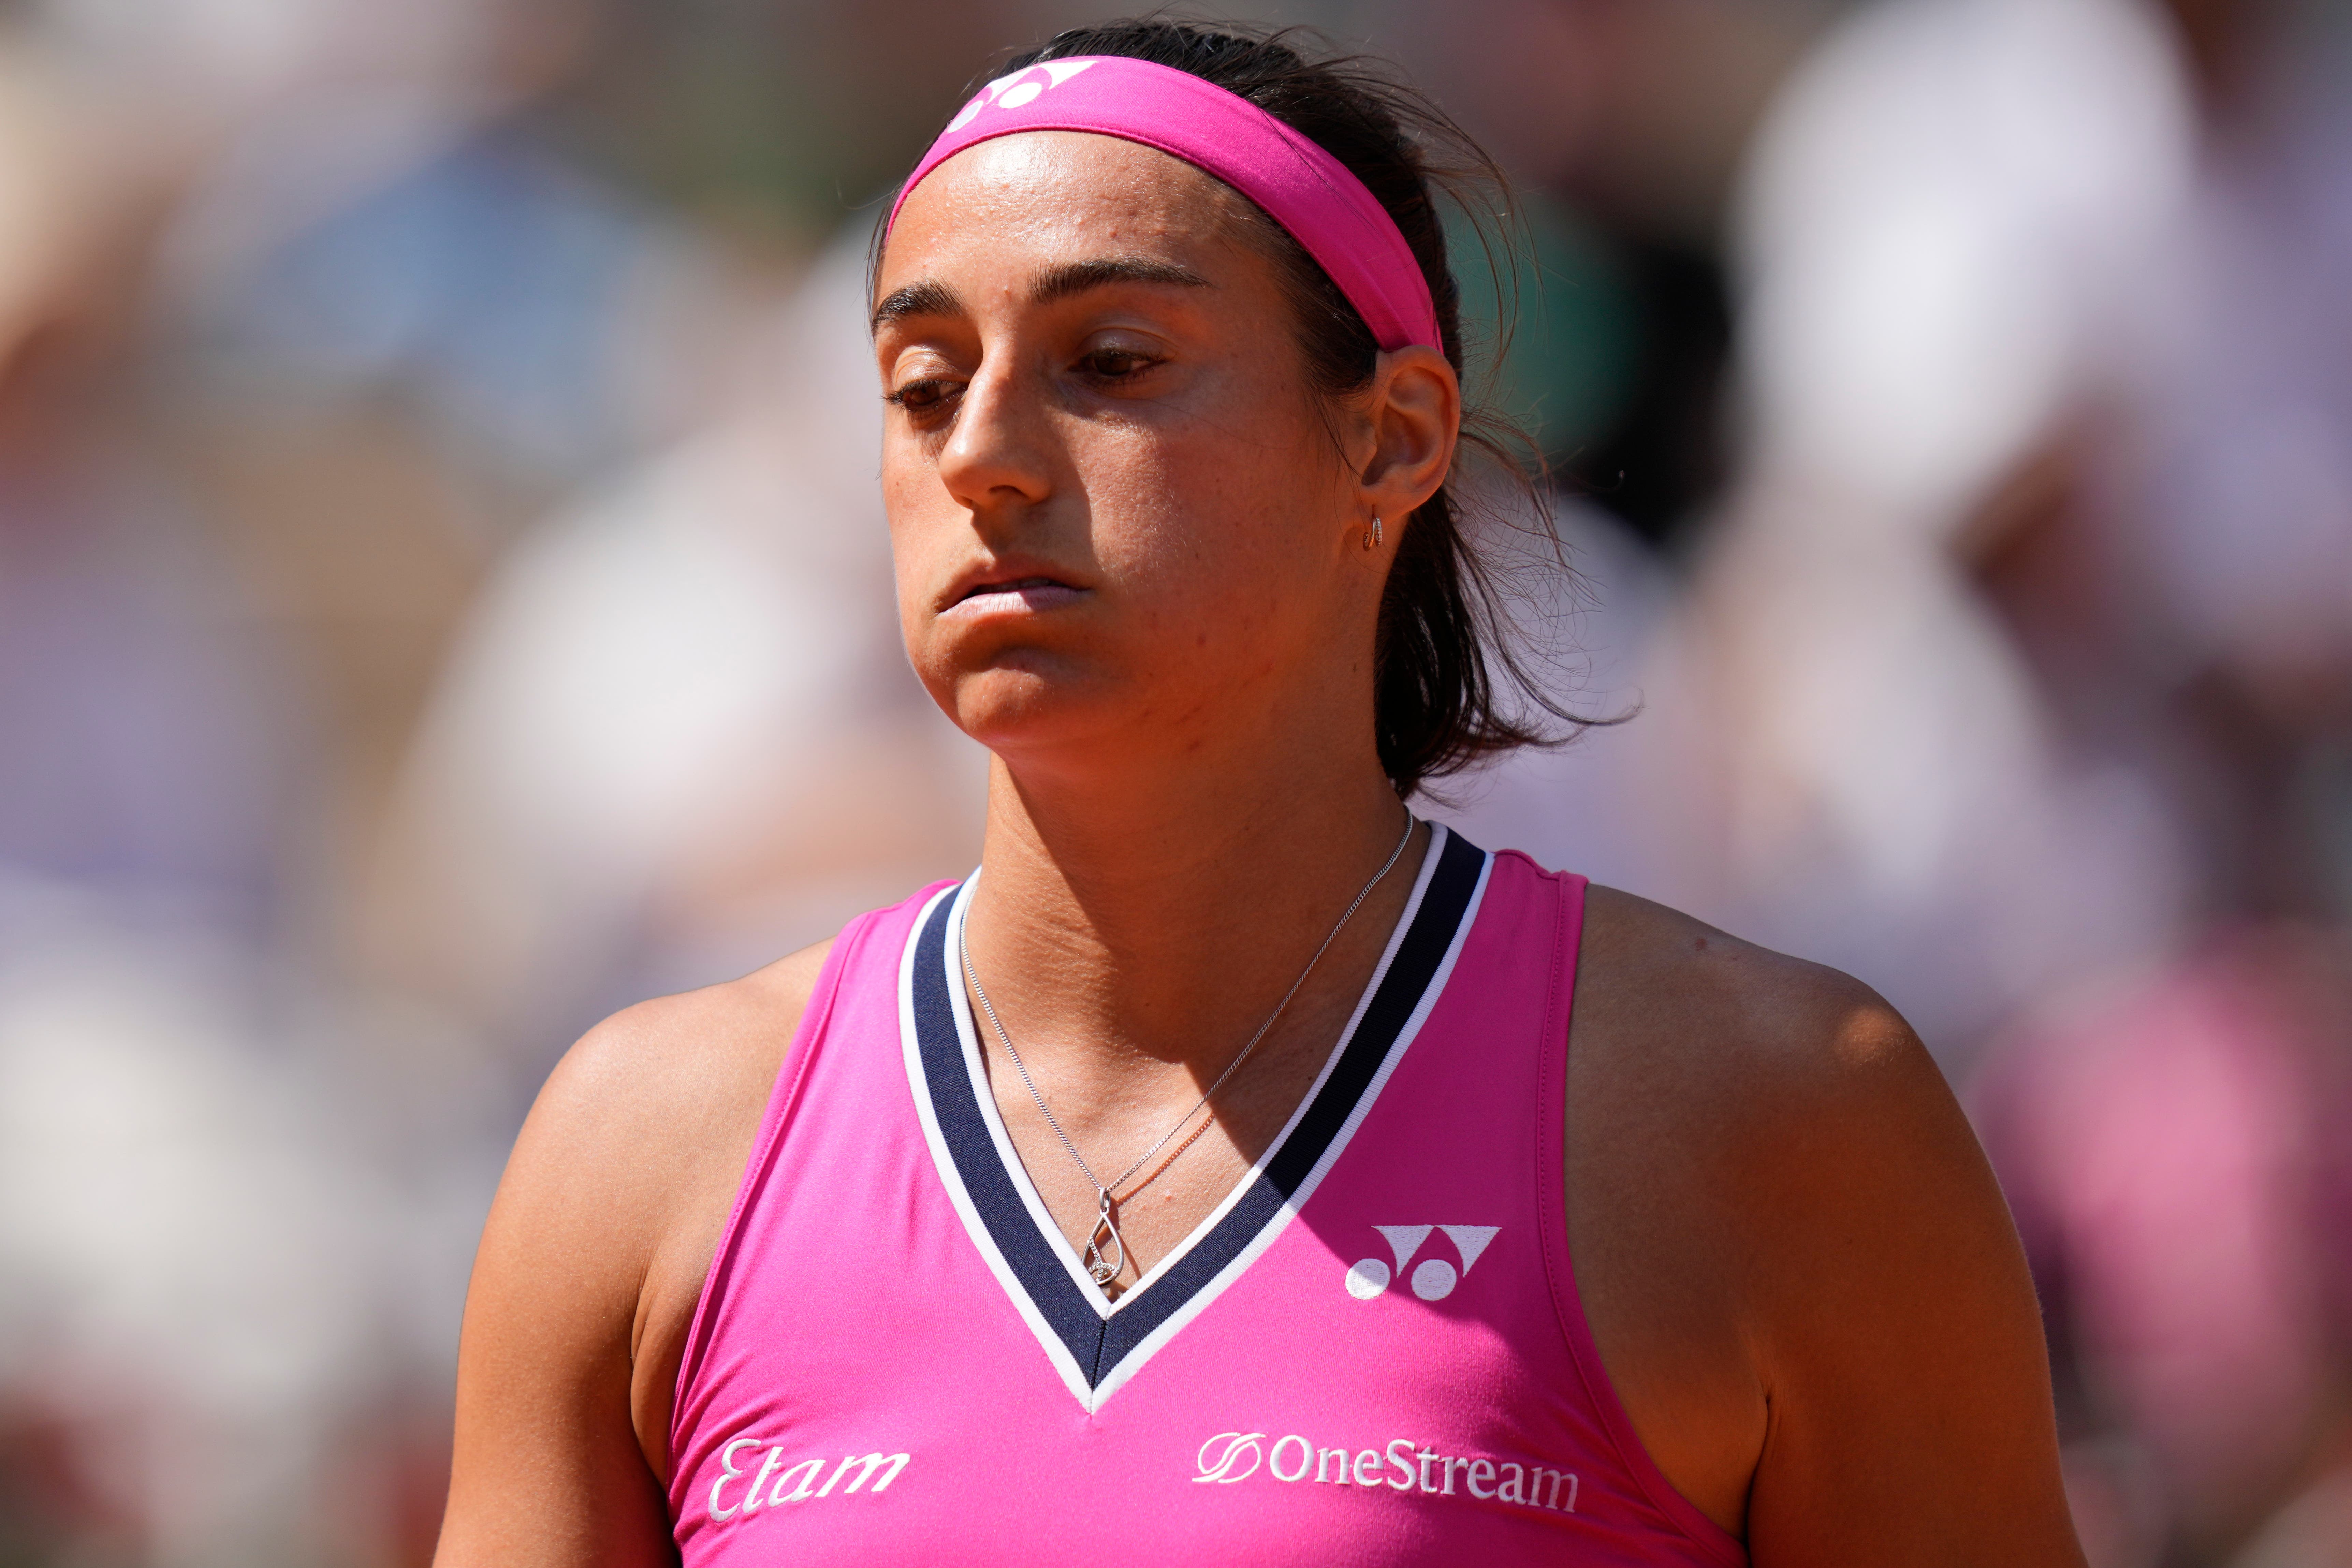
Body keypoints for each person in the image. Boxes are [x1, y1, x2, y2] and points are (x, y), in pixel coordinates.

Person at [432, 21, 2084, 1565]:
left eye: (1114, 360)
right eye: (921, 381)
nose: (981, 451)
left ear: (1389, 439)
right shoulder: (643, 1151)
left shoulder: (1772, 1122)